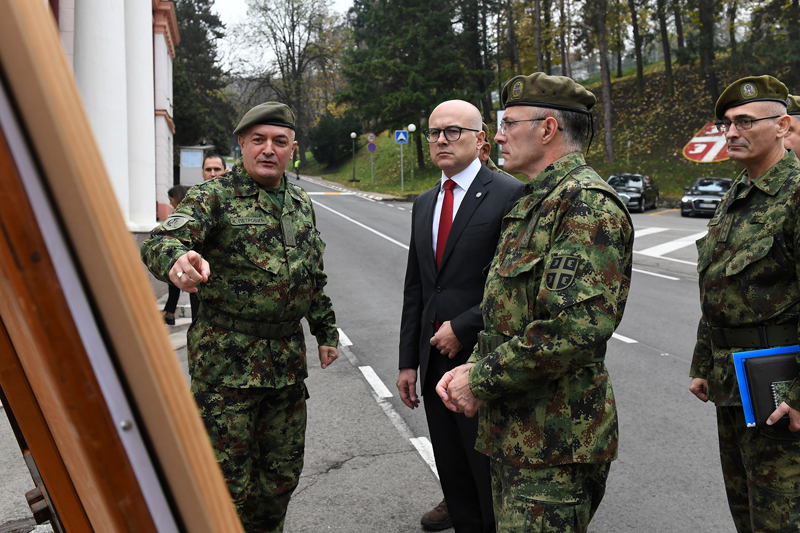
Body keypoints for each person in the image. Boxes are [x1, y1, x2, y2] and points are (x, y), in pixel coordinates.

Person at [436, 73, 633, 533]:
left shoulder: (584, 205)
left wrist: (479, 377)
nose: (498, 135)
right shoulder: (535, 203)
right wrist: (474, 373)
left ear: (547, 129)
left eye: (508, 123)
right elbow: (506, 315)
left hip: (555, 443)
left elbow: (571, 330)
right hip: (517, 433)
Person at [141, 101, 339, 533]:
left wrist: (325, 330)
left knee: (280, 480)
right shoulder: (213, 196)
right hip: (226, 373)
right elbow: (160, 241)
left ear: (293, 149)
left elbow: (312, 275)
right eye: (258, 140)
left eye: (279, 142)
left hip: (285, 371)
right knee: (223, 485)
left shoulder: (301, 203)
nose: (268, 149)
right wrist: (177, 259)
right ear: (242, 145)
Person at [398, 100, 523, 532]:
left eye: (453, 132)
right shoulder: (425, 202)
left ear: (480, 140)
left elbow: (512, 286)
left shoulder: (510, 195)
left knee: (486, 474)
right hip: (433, 360)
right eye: (434, 133)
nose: (441, 140)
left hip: (482, 359)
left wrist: (465, 326)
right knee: (452, 473)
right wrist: (407, 362)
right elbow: (418, 287)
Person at [689, 75, 800, 532]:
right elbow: (717, 288)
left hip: (782, 392)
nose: (731, 132)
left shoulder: (794, 194)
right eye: (726, 124)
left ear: (782, 125)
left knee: (784, 519)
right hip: (735, 389)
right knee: (748, 516)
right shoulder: (735, 196)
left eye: (744, 122)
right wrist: (701, 363)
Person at [162, 185, 189, 325]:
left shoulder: (179, 216)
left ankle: (170, 313)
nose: (170, 203)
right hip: (182, 257)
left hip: (183, 257)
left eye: (171, 199)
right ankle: (170, 312)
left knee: (175, 284)